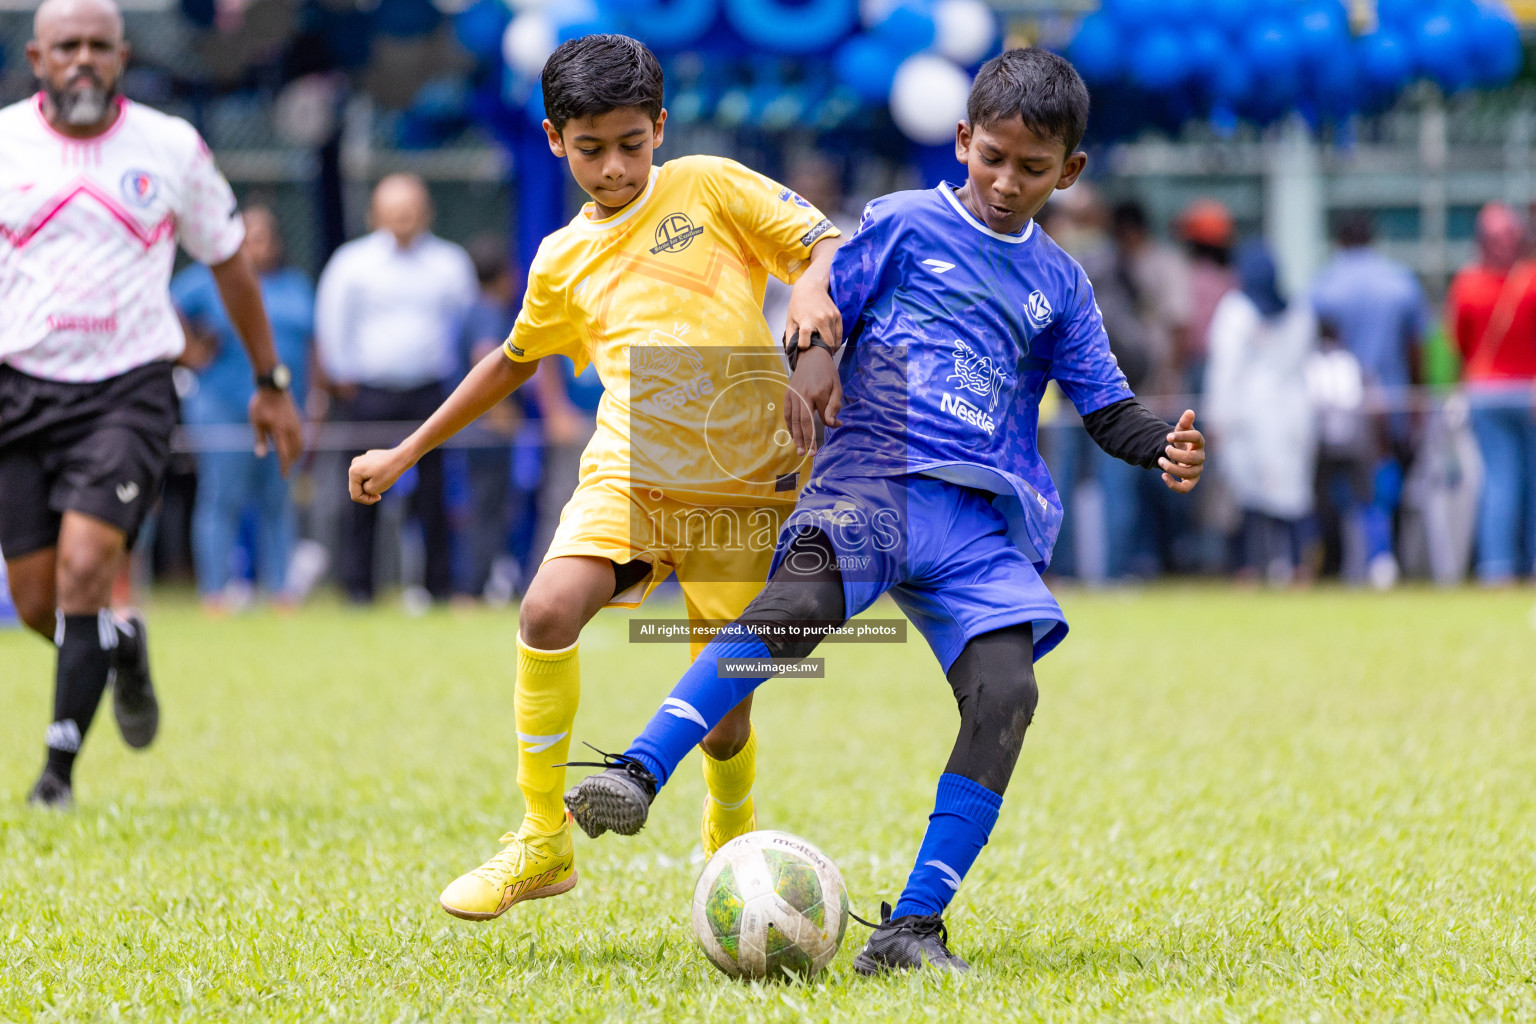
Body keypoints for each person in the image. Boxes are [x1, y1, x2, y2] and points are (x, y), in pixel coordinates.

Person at [562, 48, 1206, 974]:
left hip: (979, 522)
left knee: (1008, 693)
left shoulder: (1062, 284)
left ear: (1071, 172)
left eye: (1032, 168)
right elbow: (820, 305)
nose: (1006, 181)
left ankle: (912, 927)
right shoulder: (904, 225)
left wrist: (1161, 443)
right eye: (991, 157)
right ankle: (638, 769)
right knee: (791, 614)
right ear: (961, 141)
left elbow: (1104, 406)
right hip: (873, 478)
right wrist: (814, 368)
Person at [346, 35, 844, 921]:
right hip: (632, 466)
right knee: (545, 609)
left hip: (742, 477)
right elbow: (509, 362)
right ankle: (543, 841)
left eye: (630, 143)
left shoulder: (712, 185)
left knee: (725, 712)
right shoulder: (559, 260)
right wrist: (405, 451)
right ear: (552, 139)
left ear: (659, 127)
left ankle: (730, 848)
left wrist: (810, 297)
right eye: (590, 149)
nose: (613, 167)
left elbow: (823, 243)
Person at [0, 0, 302, 808]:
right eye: (68, 47)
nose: (84, 60)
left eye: (100, 46)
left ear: (124, 55)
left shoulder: (170, 147)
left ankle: (56, 774)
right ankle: (122, 648)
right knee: (36, 603)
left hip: (129, 389)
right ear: (37, 56)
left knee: (87, 569)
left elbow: (231, 260)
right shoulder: (3, 145)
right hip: (18, 390)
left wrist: (271, 383)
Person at [316, 173, 477, 605]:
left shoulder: (450, 262)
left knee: (434, 494)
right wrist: (340, 374)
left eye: (410, 209)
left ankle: (439, 587)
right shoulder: (352, 263)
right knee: (361, 492)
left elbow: (468, 327)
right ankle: (358, 589)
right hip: (368, 394)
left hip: (431, 393)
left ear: (426, 212)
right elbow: (332, 321)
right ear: (375, 214)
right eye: (393, 210)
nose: (403, 218)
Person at [173, 204, 315, 610]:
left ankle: (282, 591)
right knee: (222, 496)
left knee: (277, 499)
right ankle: (215, 592)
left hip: (285, 407)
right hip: (222, 405)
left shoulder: (295, 286)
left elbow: (313, 344)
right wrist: (191, 351)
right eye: (249, 236)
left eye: (265, 236)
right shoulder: (209, 280)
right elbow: (166, 303)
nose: (259, 245)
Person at [1310, 211, 1429, 587]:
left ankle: (1338, 563)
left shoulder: (1324, 283)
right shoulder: (1399, 281)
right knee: (1379, 489)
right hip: (1387, 405)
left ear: (1341, 241)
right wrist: (1417, 397)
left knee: (1329, 490)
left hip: (1332, 407)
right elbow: (1418, 347)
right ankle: (1381, 559)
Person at [1205, 242, 1317, 585]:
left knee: (1251, 496)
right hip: (1290, 410)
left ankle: (1249, 569)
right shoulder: (1299, 311)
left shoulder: (1236, 310)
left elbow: (1224, 370)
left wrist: (1216, 417)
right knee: (1287, 495)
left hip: (1247, 412)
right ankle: (1296, 567)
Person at [1446, 202, 1536, 584]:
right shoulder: (1530, 281)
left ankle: (1497, 567)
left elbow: (1457, 345)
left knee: (1499, 481)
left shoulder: (1467, 284)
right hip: (1526, 391)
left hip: (1486, 391)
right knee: (1523, 482)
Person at [455, 236, 524, 600]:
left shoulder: (471, 310)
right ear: (506, 276)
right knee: (486, 512)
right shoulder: (490, 312)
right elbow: (485, 356)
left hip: (473, 432)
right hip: (487, 433)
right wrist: (502, 414)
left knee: (482, 509)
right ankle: (473, 588)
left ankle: (475, 586)